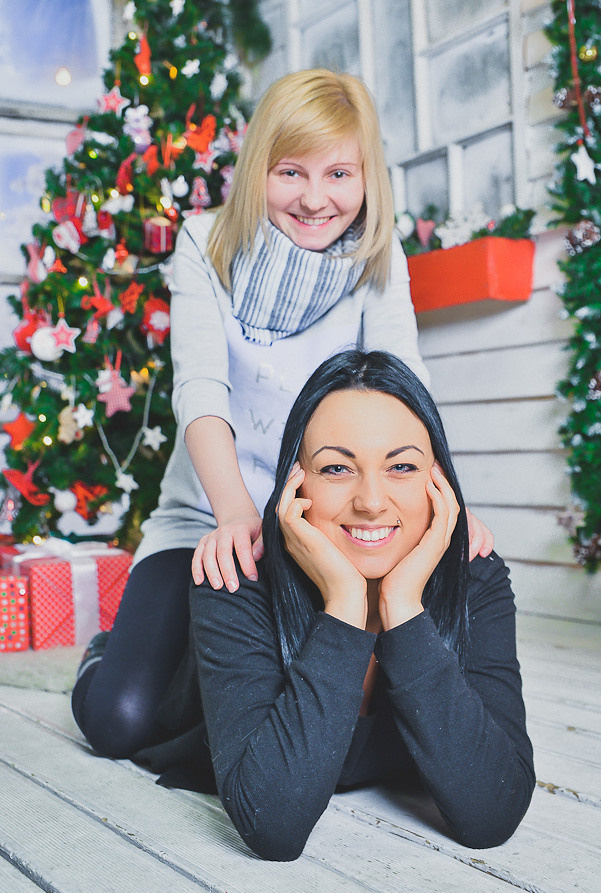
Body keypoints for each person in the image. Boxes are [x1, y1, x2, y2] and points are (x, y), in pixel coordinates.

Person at [71, 69, 492, 761]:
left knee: (317, 713)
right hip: (208, 519)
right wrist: (235, 514)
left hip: (325, 525)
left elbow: (408, 390)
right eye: (291, 171)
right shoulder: (204, 245)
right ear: (259, 167)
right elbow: (200, 392)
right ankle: (105, 653)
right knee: (119, 721)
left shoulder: (378, 260)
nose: (315, 198)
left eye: (338, 174)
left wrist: (442, 503)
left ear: (366, 180)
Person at [188, 349, 534, 861]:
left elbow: (493, 814)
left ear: (436, 478)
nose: (371, 501)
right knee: (115, 715)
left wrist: (402, 604)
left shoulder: (475, 575)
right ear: (294, 480)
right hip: (175, 706)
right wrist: (345, 603)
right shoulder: (238, 575)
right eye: (336, 468)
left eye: (401, 466)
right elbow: (274, 826)